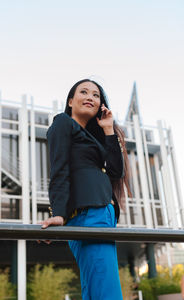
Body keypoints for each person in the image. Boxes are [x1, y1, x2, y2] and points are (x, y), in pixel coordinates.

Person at [38, 79, 132, 300]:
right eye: (84, 92)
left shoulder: (95, 139)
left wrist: (108, 129)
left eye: (96, 95)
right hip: (90, 213)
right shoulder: (63, 123)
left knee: (95, 288)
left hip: (101, 214)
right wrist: (58, 213)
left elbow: (116, 172)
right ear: (71, 101)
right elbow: (58, 169)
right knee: (105, 291)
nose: (90, 97)